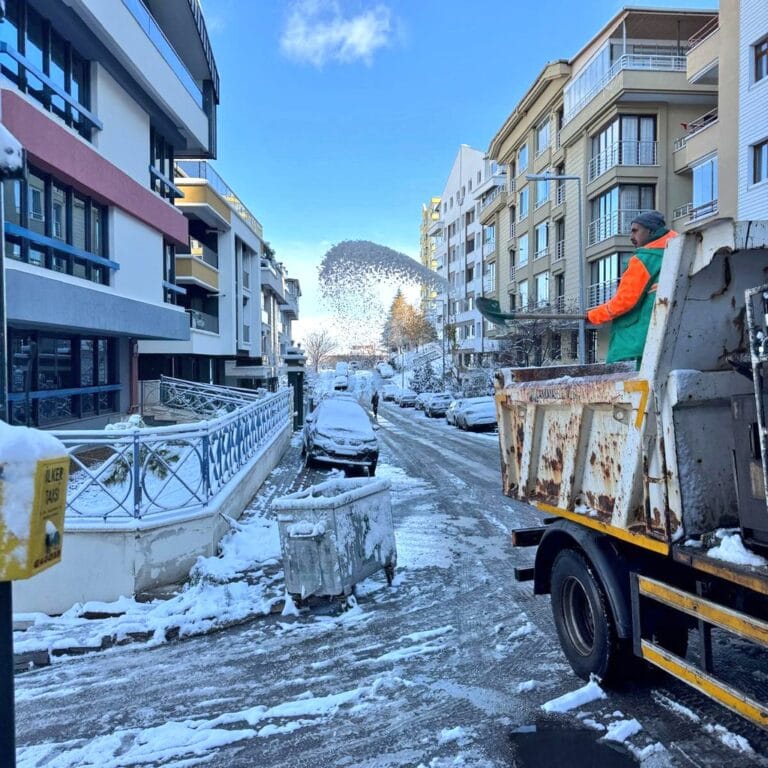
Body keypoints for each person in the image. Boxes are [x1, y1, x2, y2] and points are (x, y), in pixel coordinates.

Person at [586, 210, 678, 364]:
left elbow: (624, 301)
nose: (631, 237)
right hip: (673, 337)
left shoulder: (643, 260)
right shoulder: (677, 251)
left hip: (638, 342)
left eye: (635, 231)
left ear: (650, 231)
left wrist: (592, 316)